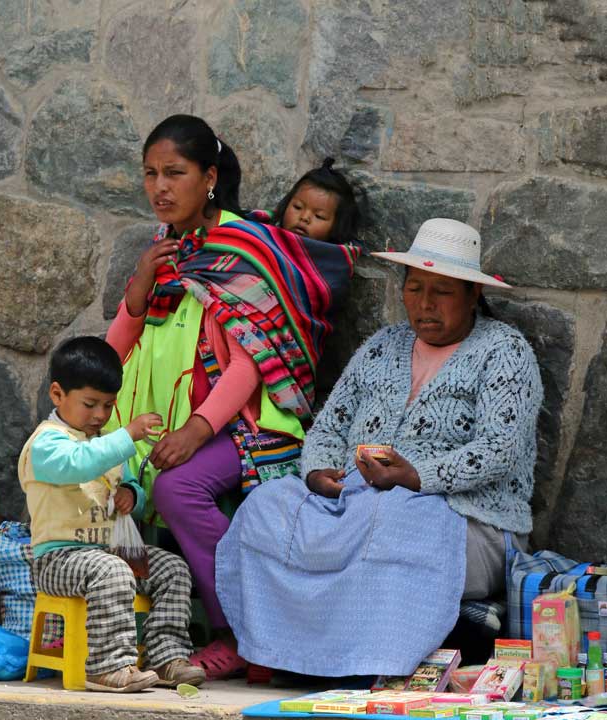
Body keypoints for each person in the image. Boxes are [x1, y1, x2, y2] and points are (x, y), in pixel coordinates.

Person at [216, 218, 544, 680]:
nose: (424, 304)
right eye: (415, 288)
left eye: (443, 291)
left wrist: (415, 477)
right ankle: (280, 652)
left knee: (395, 517)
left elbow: (499, 449)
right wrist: (318, 473)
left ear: (473, 295)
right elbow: (328, 426)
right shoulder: (383, 346)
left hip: (467, 519)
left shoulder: (503, 350)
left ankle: (368, 662)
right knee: (265, 506)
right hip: (356, 502)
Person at [106, 115, 359, 679]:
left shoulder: (246, 245)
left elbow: (254, 358)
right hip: (170, 417)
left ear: (210, 177)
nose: (160, 188)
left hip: (249, 421)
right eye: (150, 174)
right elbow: (115, 353)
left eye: (175, 172)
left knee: (178, 485)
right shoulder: (165, 249)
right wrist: (140, 287)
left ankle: (241, 630)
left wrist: (197, 429)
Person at [18, 337, 205, 693]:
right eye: (90, 404)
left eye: (108, 405)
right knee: (113, 570)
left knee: (172, 570)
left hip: (108, 554)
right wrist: (127, 436)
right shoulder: (47, 443)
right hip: (59, 560)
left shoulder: (105, 442)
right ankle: (107, 666)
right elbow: (77, 465)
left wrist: (130, 495)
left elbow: (132, 486)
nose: (100, 415)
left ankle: (165, 656)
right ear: (58, 395)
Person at [273, 157, 361, 243]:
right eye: (298, 207)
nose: (304, 217)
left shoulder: (336, 257)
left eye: (319, 216)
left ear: (337, 226)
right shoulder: (263, 235)